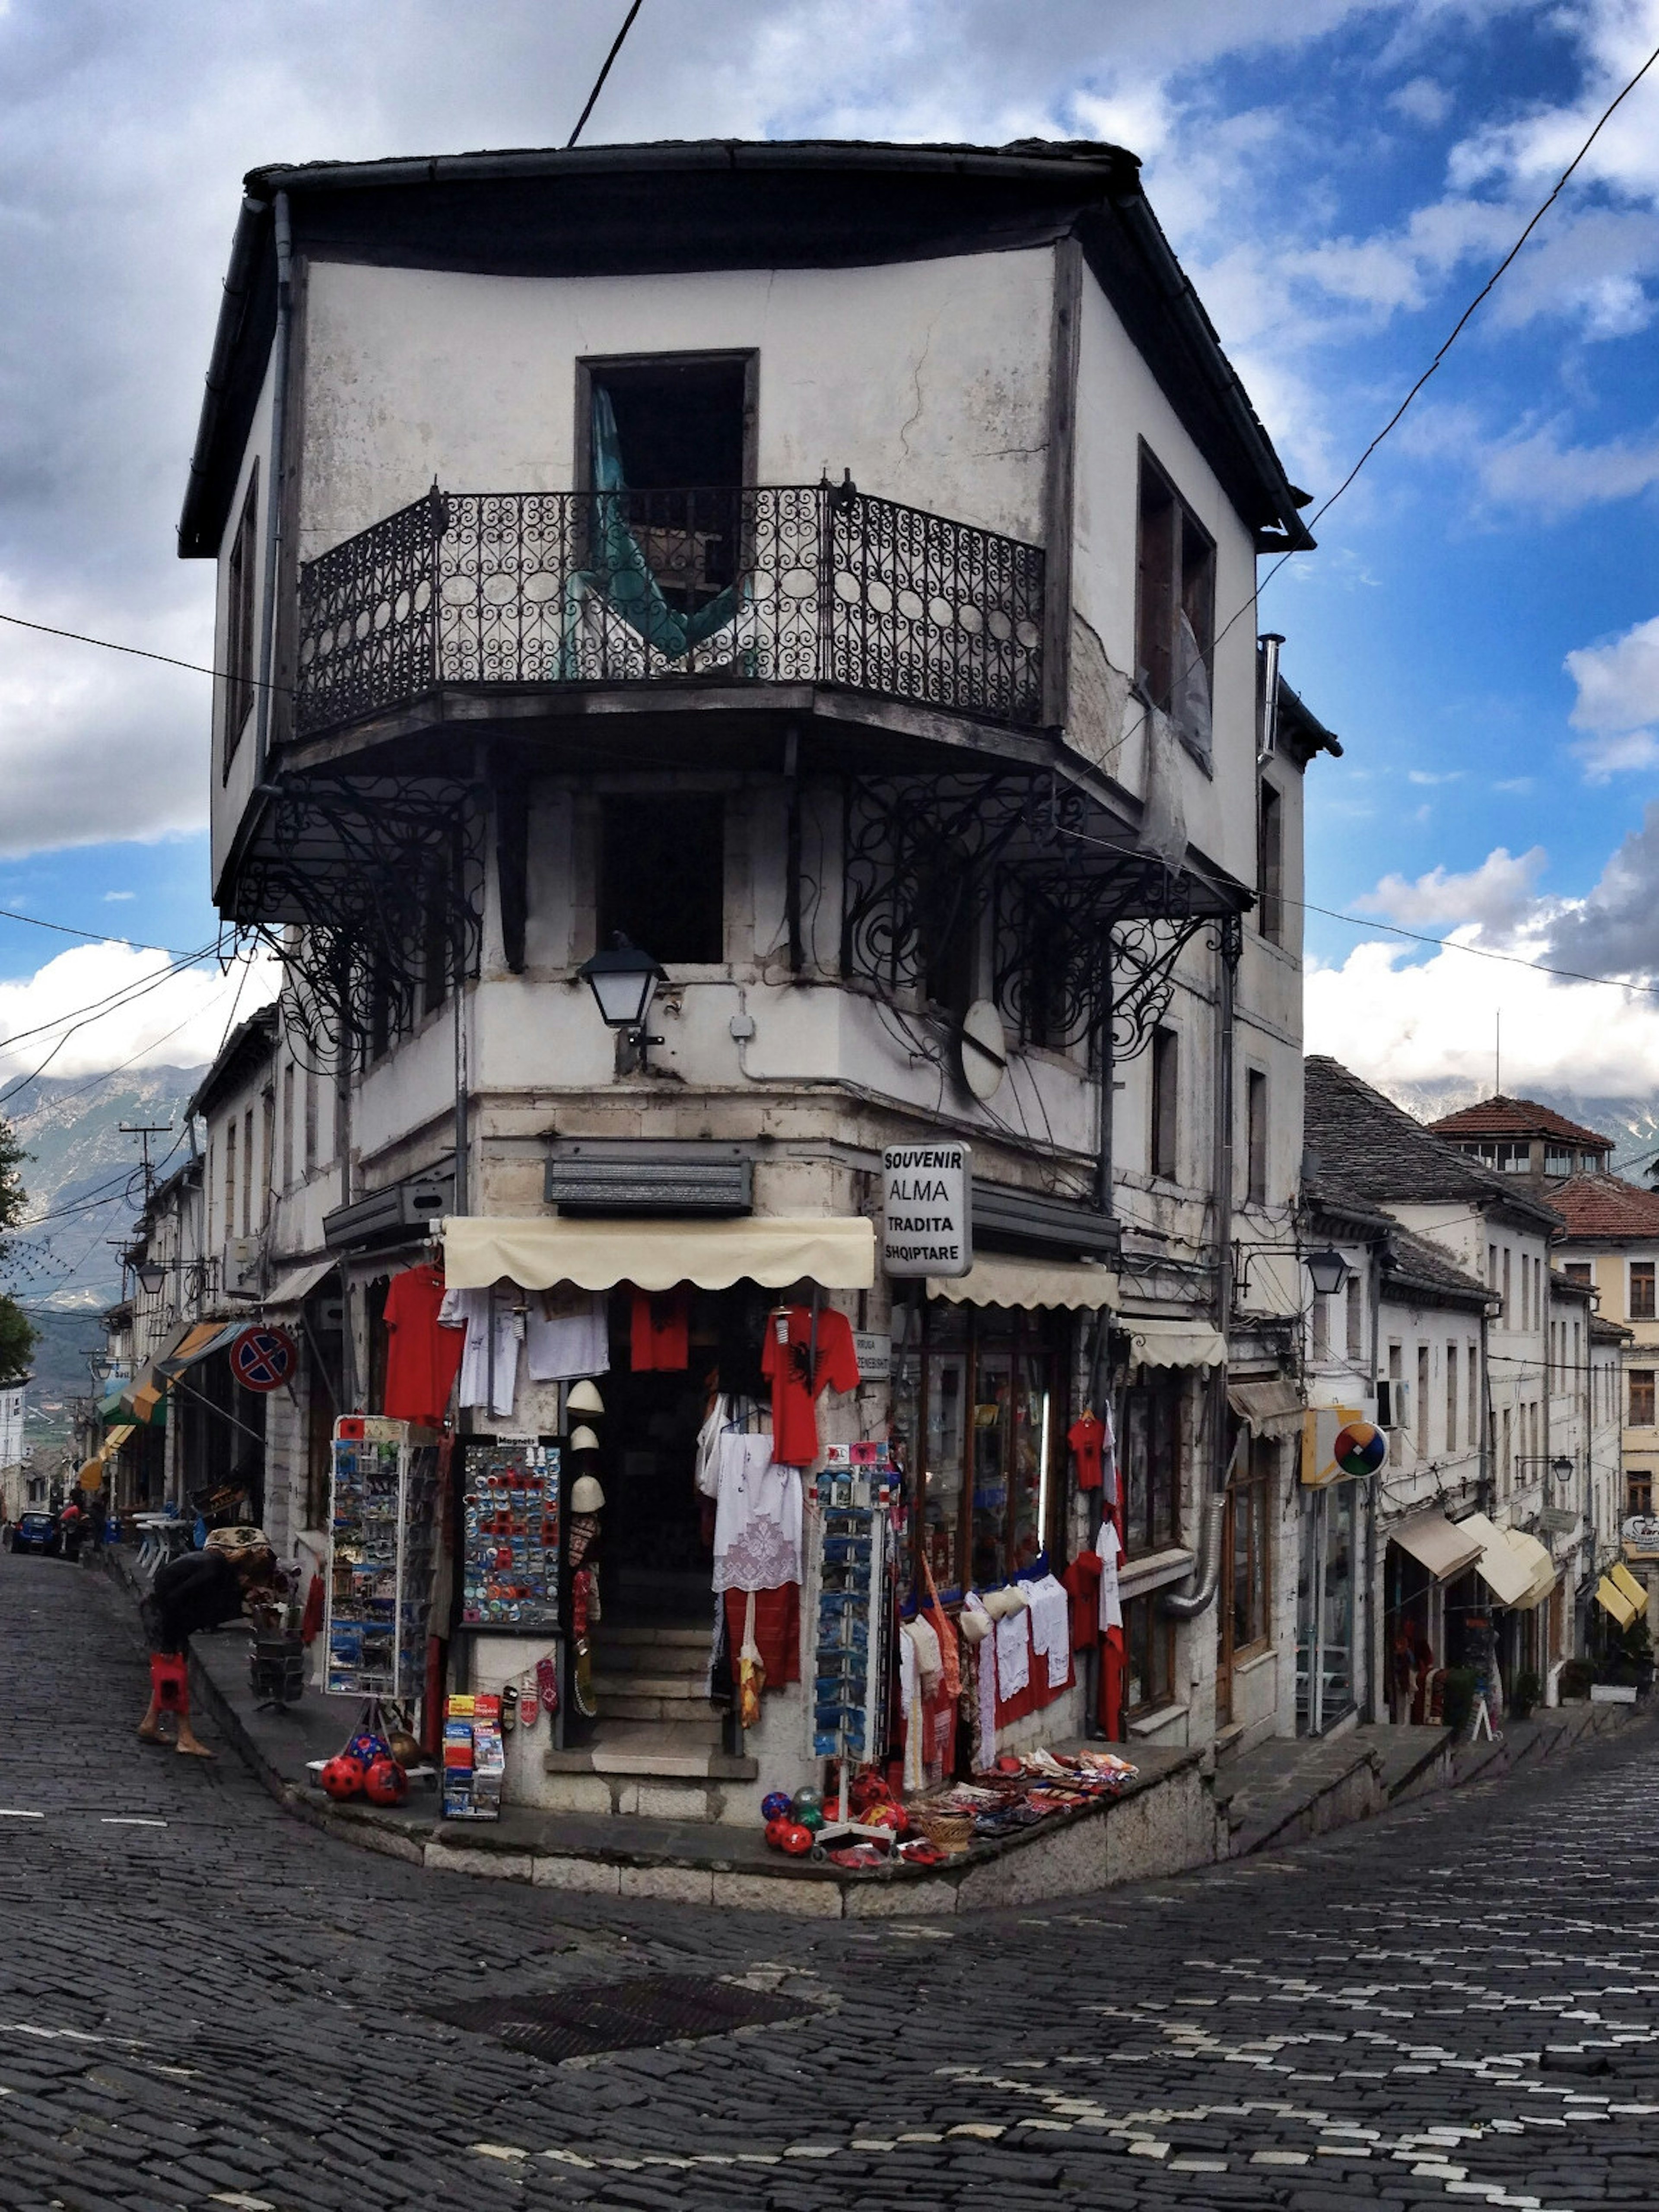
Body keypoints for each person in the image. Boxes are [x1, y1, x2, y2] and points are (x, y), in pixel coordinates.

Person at [137, 1526, 276, 1757]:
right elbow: (174, 1599)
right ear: (247, 1575)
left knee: (171, 1675)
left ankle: (150, 1724)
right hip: (164, 1615)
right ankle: (185, 1737)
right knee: (175, 1675)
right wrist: (169, 1644)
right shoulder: (213, 1570)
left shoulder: (220, 1569)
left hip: (168, 1614)